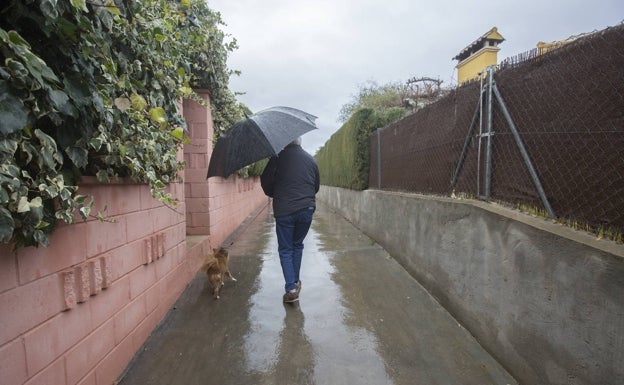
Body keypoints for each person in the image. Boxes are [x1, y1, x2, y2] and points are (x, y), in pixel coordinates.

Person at [261, 137, 320, 303]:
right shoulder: (310, 159)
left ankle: (291, 289)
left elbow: (266, 184)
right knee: (297, 245)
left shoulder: (276, 158)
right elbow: (315, 187)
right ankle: (295, 281)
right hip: (307, 209)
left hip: (285, 210)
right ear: (299, 142)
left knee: (286, 249)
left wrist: (276, 193)